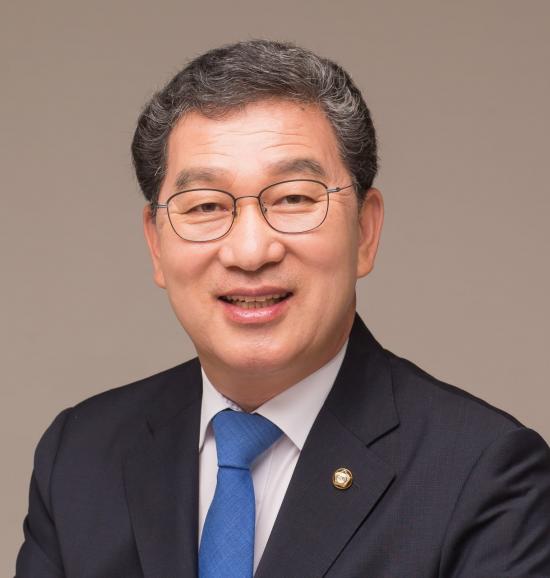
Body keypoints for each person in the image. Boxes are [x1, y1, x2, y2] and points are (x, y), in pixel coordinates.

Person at [16, 40, 550, 578]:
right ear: (156, 245)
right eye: (205, 205)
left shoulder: (484, 476)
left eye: (294, 198)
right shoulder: (81, 456)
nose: (250, 252)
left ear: (365, 231)